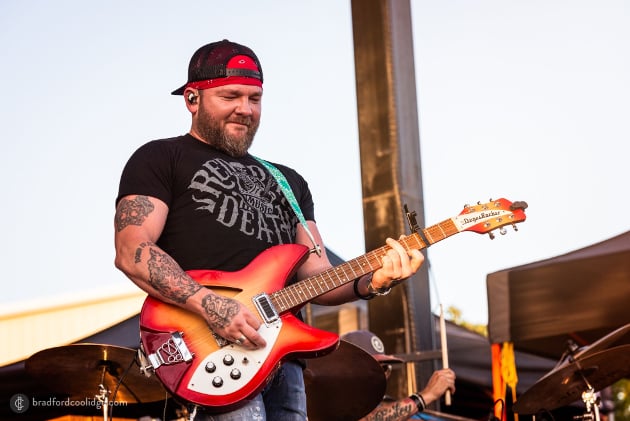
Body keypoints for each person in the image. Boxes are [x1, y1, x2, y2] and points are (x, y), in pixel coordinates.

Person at [113, 39, 424, 420]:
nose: (245, 109)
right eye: (230, 96)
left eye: (255, 98)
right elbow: (132, 250)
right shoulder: (160, 157)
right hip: (209, 350)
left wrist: (374, 281)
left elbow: (318, 276)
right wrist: (212, 306)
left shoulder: (289, 182)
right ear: (192, 99)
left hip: (284, 356)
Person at [341, 330, 456, 421]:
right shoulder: (335, 398)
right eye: (374, 367)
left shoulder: (380, 403)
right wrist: (427, 395)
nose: (382, 375)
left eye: (385, 368)